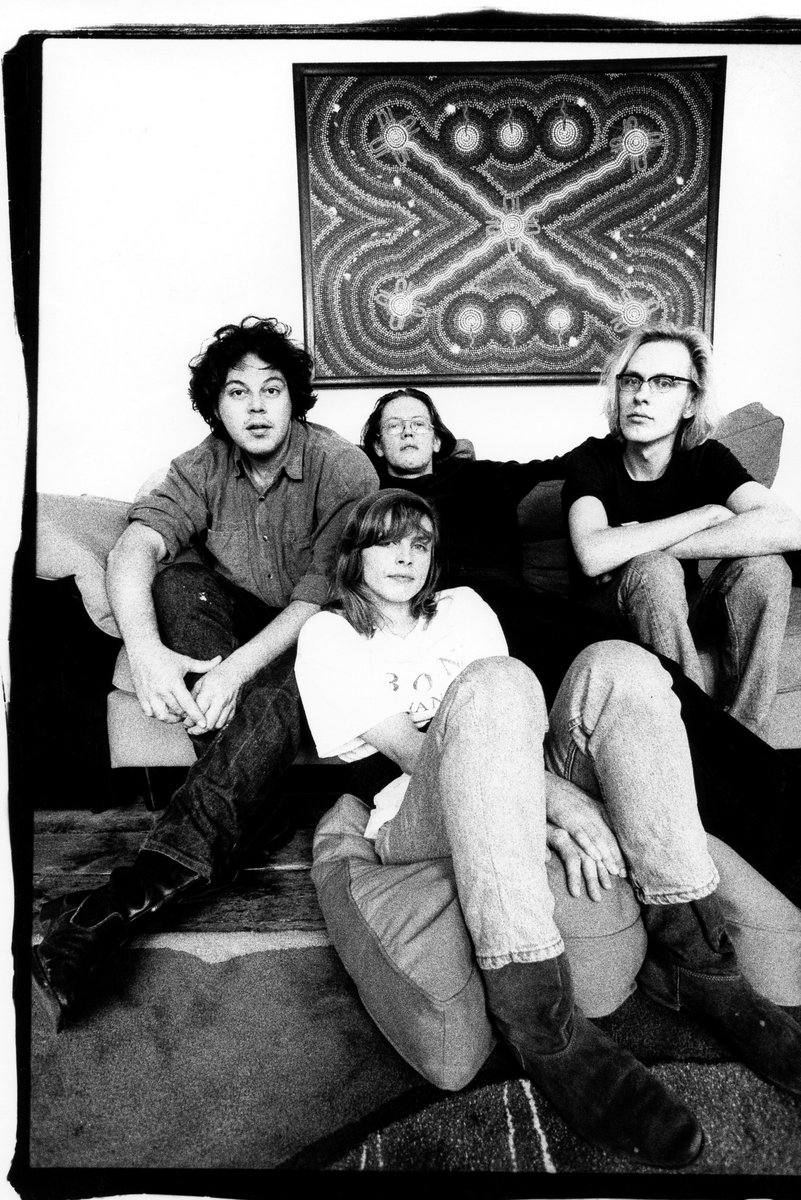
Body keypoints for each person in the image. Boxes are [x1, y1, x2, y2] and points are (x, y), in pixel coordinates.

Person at [294, 489, 801, 1168]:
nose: (405, 557)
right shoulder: (327, 634)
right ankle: (541, 1026)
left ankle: (697, 962)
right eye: (386, 542)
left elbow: (514, 734)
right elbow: (416, 752)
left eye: (419, 543)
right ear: (355, 554)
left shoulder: (463, 608)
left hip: (516, 772)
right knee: (493, 682)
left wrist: (540, 795)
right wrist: (557, 804)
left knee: (621, 665)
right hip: (415, 810)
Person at [33, 316, 378, 1029]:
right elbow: (134, 547)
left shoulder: (343, 467)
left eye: (272, 389)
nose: (256, 406)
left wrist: (231, 676)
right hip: (231, 621)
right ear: (216, 407)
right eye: (237, 392)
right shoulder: (201, 465)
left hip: (317, 628)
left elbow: (320, 596)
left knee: (281, 686)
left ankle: (107, 909)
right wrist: (147, 652)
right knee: (175, 584)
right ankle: (258, 807)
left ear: (295, 398)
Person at [360, 384, 801, 906]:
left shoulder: (484, 477)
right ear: (378, 446)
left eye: (419, 423)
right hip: (438, 625)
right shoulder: (366, 501)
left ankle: (781, 807)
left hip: (517, 611)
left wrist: (654, 439)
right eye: (394, 425)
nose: (408, 431)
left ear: (438, 440)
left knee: (651, 677)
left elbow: (572, 463)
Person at [563, 323, 801, 735]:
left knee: (767, 568)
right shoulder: (592, 459)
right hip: (612, 617)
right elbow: (593, 554)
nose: (641, 395)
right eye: (631, 380)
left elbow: (789, 527)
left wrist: (646, 541)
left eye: (664, 383)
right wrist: (705, 514)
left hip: (682, 612)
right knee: (654, 569)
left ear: (690, 401)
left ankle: (745, 735)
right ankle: (696, 734)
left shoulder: (706, 458)